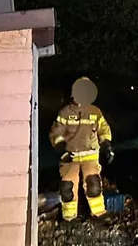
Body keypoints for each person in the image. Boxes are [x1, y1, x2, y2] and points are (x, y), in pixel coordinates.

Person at [49, 77, 114, 222]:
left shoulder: (95, 111)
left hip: (90, 155)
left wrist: (106, 145)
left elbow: (103, 129)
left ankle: (99, 214)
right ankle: (69, 218)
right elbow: (55, 133)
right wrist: (62, 151)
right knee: (67, 187)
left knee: (93, 185)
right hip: (69, 157)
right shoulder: (65, 112)